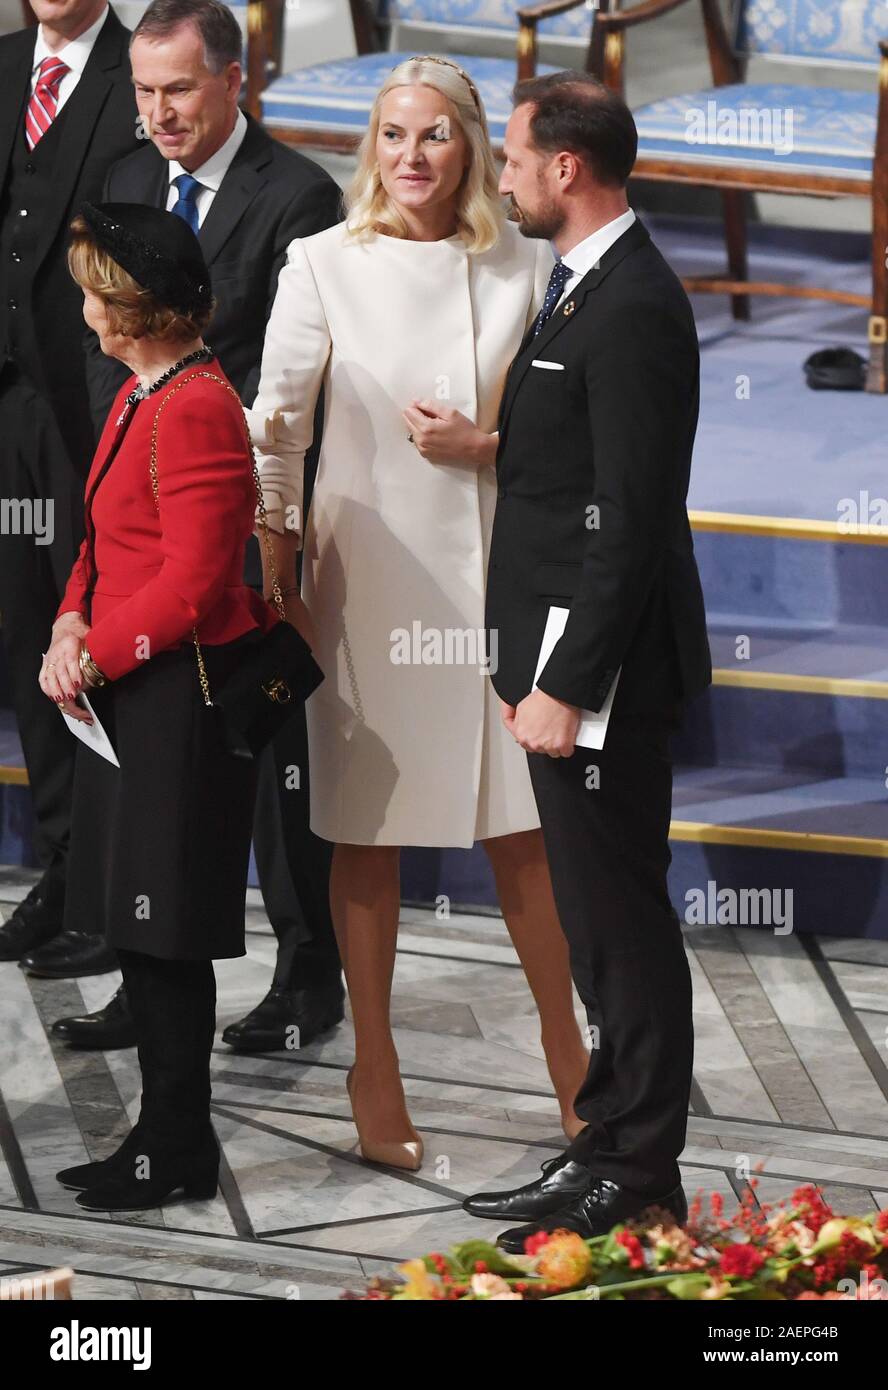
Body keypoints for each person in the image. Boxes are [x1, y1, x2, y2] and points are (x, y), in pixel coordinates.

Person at [248, 56, 591, 1172]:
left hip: (499, 589)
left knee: (521, 830)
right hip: (366, 587)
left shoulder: (528, 267)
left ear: (474, 148)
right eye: (392, 135)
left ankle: (569, 1052)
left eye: (434, 136)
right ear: (370, 149)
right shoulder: (319, 265)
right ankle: (375, 1063)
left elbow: (575, 428)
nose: (410, 157)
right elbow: (276, 436)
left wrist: (483, 446)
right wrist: (277, 572)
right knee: (366, 828)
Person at [48, 0, 345, 1051]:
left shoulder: (299, 196)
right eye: (142, 91)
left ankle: (310, 975)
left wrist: (209, 466)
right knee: (151, 783)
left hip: (253, 507)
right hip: (139, 485)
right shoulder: (128, 178)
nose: (159, 113)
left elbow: (293, 367)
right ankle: (144, 977)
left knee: (269, 758)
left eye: (178, 89)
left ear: (234, 78)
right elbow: (102, 342)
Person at [463, 71, 712, 1251]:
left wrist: (565, 687)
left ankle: (637, 1169)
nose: (500, 175)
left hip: (597, 682)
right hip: (559, 668)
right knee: (595, 916)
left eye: (512, 156)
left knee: (620, 924)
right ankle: (607, 1139)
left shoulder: (636, 308)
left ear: (567, 168)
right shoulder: (580, 285)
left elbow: (632, 518)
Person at [47, 202, 287, 1211]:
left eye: (98, 295)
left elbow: (194, 584)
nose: (88, 314)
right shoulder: (143, 390)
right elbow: (104, 540)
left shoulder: (193, 406)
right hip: (125, 695)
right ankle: (162, 1133)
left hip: (171, 709)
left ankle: (175, 1145)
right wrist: (69, 622)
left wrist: (91, 655)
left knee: (166, 935)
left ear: (134, 305)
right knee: (139, 932)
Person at [0, 0, 140, 972]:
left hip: (89, 412)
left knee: (91, 634)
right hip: (6, 408)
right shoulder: (7, 63)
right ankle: (59, 866)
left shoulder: (146, 74)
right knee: (23, 632)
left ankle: (109, 885)